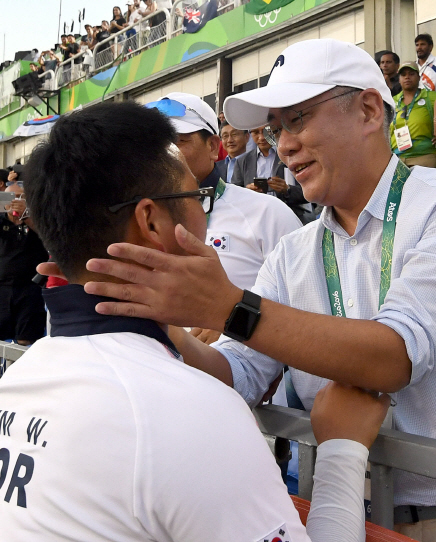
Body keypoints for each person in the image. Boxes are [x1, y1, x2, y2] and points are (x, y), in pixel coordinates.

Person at [74, 39, 436, 541]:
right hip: (352, 513)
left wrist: (227, 306)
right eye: (275, 129)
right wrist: (163, 318)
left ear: (366, 109)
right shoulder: (293, 252)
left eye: (296, 120)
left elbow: (396, 355)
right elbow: (241, 374)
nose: (282, 145)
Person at [2, 100, 389, 541]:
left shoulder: (21, 377)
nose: (205, 212)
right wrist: (341, 451)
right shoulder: (190, 411)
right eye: (196, 198)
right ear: (150, 220)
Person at [148, 92, 300, 345]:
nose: (165, 155)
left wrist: (240, 327)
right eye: (154, 145)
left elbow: (306, 306)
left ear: (212, 147)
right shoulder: (134, 223)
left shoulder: (267, 212)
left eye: (179, 142)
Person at [232, 126, 314, 223]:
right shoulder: (242, 162)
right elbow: (234, 196)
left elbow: (309, 190)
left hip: (290, 218)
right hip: (256, 220)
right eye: (255, 132)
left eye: (266, 132)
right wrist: (247, 192)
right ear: (249, 135)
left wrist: (287, 189)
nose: (262, 137)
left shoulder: (290, 154)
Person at [0, 184, 48, 345]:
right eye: (10, 197)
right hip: (2, 288)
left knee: (25, 339)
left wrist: (27, 216)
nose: (15, 201)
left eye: (21, 197)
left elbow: (49, 237)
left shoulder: (38, 220)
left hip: (30, 290)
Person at [390, 62, 436, 167]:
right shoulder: (392, 102)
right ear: (399, 79)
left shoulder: (431, 97)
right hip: (398, 159)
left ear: (419, 77)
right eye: (403, 75)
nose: (407, 77)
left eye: (411, 74)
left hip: (425, 157)